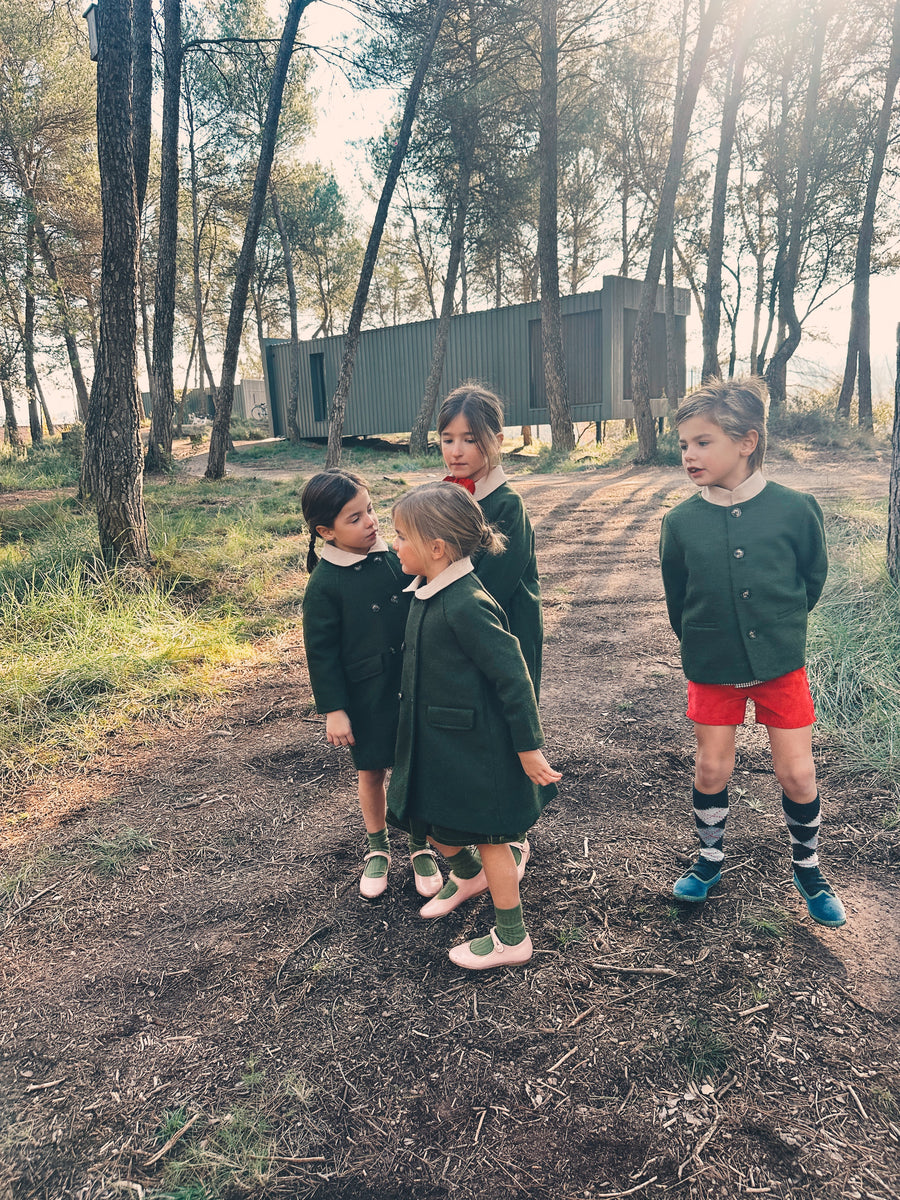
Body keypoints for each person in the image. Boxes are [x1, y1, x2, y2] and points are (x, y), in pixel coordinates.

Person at [659, 376, 846, 927]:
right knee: (712, 766)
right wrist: (708, 640)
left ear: (747, 441)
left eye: (703, 441)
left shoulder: (795, 508)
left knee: (797, 774)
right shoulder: (680, 522)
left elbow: (811, 580)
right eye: (684, 444)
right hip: (711, 666)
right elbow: (679, 599)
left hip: (780, 666)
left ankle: (808, 866)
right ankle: (710, 858)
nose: (689, 454)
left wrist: (776, 630)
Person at [387, 482, 562, 969]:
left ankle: (512, 937)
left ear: (436, 549)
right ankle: (465, 875)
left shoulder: (467, 602)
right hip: (440, 744)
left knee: (492, 843)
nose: (393, 544)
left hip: (476, 750)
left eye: (401, 536)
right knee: (435, 826)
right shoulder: (428, 590)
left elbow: (514, 675)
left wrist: (528, 748)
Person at [300, 470, 443, 901]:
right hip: (366, 695)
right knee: (371, 771)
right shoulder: (325, 583)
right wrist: (335, 709)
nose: (370, 522)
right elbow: (320, 653)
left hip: (414, 682)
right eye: (354, 517)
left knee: (414, 765)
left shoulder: (394, 557)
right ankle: (378, 847)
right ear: (326, 531)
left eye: (371, 510)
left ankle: (420, 845)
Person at [438, 383, 543, 697]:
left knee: (504, 713)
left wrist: (444, 620)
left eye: (470, 439)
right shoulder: (443, 498)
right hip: (458, 625)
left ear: (496, 441)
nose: (456, 451)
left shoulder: (506, 505)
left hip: (503, 627)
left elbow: (492, 585)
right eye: (448, 439)